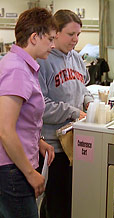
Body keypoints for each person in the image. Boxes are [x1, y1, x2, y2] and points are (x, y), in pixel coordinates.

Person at [0, 7, 57, 218]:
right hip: (12, 170)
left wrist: (37, 141)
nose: (53, 45)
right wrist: (30, 173)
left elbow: (18, 119)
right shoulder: (17, 69)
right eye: (50, 39)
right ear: (34, 37)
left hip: (14, 164)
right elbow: (5, 130)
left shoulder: (21, 65)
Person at [37, 9, 94, 218]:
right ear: (56, 33)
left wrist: (89, 101)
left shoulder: (76, 58)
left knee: (73, 201)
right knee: (55, 204)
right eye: (71, 34)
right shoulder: (43, 61)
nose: (76, 39)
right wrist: (72, 112)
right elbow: (40, 105)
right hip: (53, 147)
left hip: (76, 143)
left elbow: (83, 86)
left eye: (78, 34)